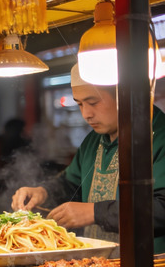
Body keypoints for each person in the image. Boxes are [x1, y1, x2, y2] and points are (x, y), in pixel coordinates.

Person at [11, 63, 165, 253]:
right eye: (80, 104)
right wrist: (43, 193)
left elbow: (161, 209)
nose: (86, 114)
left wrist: (95, 213)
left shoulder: (160, 137)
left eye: (93, 103)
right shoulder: (93, 141)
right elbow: (71, 184)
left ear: (124, 95)